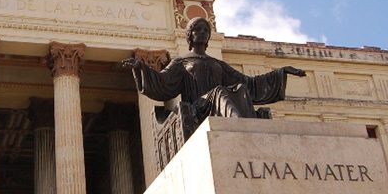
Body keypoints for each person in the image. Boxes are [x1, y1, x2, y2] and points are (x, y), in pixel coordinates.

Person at [122, 17, 305, 125]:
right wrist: (141, 67)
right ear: (190, 36)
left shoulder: (217, 63)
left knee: (240, 89)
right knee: (219, 91)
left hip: (217, 107)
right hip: (197, 108)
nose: (202, 33)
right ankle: (240, 126)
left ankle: (245, 127)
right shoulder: (181, 62)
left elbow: (249, 84)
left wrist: (281, 72)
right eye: (197, 30)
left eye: (205, 30)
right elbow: (163, 82)